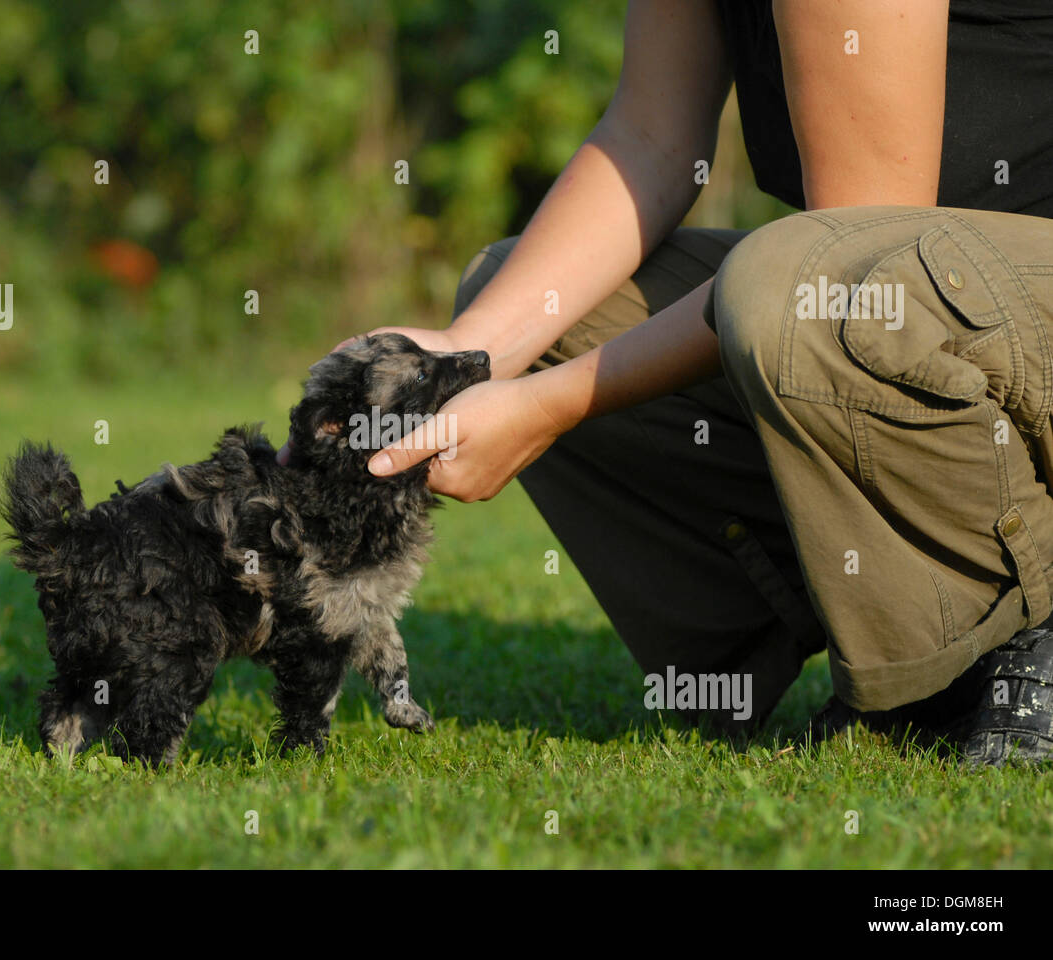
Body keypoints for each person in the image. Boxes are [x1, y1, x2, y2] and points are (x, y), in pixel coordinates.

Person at [298, 0, 1053, 763]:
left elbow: (847, 260)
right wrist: (466, 353)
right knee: (531, 310)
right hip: (941, 313)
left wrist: (546, 408)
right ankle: (887, 619)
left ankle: (993, 633)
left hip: (1008, 314)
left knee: (788, 288)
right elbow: (651, 136)